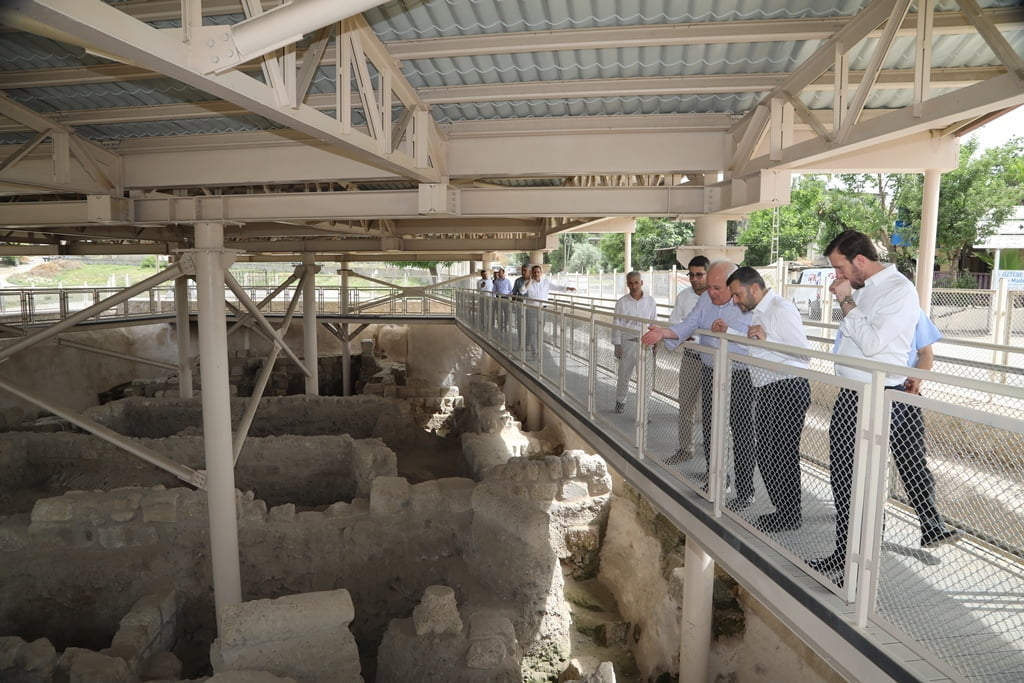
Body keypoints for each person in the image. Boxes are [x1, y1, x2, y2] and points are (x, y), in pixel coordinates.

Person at [810, 230, 959, 577]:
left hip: (878, 397)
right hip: (852, 395)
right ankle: (843, 555)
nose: (838, 276)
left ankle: (862, 570)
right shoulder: (862, 290)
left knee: (867, 485)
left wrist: (846, 301)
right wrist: (849, 299)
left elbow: (874, 344)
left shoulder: (898, 291)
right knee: (845, 480)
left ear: (859, 260)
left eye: (840, 267)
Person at [641, 260, 757, 509]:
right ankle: (716, 479)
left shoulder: (748, 304)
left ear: (733, 284)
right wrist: (664, 332)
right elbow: (688, 325)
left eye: (718, 288)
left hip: (739, 374)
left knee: (741, 431)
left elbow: (758, 341)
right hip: (710, 369)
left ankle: (746, 491)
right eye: (710, 287)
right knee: (711, 427)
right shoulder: (705, 299)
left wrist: (730, 333)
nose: (711, 292)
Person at [727, 266, 811, 532]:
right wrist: (730, 332)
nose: (735, 300)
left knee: (782, 454)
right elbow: (758, 346)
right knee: (765, 454)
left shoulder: (780, 309)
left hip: (788, 387)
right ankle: (782, 510)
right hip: (767, 388)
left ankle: (790, 514)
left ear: (754, 288)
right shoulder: (760, 312)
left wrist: (768, 338)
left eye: (738, 294)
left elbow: (802, 353)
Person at [667, 255, 709, 462]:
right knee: (686, 405)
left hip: (714, 359)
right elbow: (675, 323)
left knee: (713, 411)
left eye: (699, 274)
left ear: (708, 274)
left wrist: (689, 331)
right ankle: (685, 449)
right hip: (692, 356)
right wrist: (685, 332)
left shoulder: (718, 297)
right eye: (691, 274)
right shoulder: (683, 297)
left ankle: (714, 461)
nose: (694, 279)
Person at [612, 271, 658, 414]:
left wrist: (656, 341)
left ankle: (643, 410)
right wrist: (617, 345)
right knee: (624, 375)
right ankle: (620, 402)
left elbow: (653, 322)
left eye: (636, 282)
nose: (633, 286)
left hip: (646, 343)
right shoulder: (622, 302)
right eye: (630, 283)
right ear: (627, 284)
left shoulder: (650, 301)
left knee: (645, 379)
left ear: (641, 283)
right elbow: (617, 323)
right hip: (628, 343)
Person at [523, 265, 575, 356]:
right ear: (532, 273)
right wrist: (530, 281)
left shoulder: (546, 282)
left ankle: (539, 349)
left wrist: (568, 288)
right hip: (531, 309)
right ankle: (534, 351)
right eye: (534, 272)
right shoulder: (528, 282)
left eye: (538, 272)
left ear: (541, 273)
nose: (536, 274)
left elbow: (557, 287)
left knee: (540, 330)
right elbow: (522, 291)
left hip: (543, 309)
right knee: (532, 331)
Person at [491, 267, 513, 332]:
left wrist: (510, 297)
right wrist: (494, 298)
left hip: (506, 298)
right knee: (499, 313)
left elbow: (510, 290)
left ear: (503, 273)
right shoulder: (496, 281)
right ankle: (500, 327)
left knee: (506, 313)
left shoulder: (508, 281)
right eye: (499, 273)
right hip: (498, 298)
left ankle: (505, 326)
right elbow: (493, 291)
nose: (499, 274)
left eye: (500, 273)